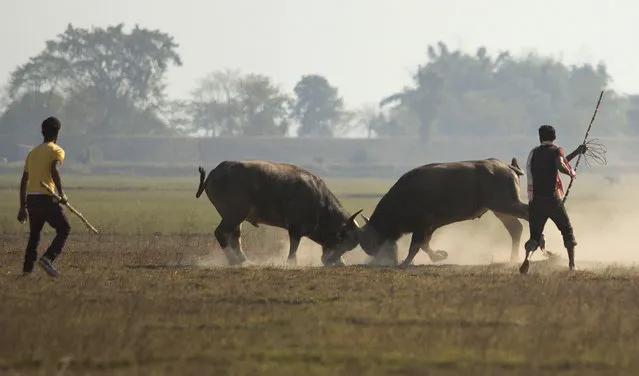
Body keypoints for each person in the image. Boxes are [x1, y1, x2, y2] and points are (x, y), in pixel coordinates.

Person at [521, 125, 586, 273]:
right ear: (554, 137)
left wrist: (576, 152)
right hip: (552, 200)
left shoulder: (535, 153)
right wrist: (571, 172)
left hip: (536, 201)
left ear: (540, 137)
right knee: (567, 230)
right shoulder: (557, 151)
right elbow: (560, 165)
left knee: (535, 236)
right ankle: (572, 265)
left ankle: (528, 258)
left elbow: (558, 164)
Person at [17, 117, 71, 278]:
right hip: (46, 198)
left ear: (42, 132)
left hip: (31, 199)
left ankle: (27, 271)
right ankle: (48, 258)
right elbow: (54, 170)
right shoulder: (57, 150)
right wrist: (61, 194)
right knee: (64, 228)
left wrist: (22, 206)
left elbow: (24, 180)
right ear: (58, 133)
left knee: (34, 235)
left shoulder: (32, 153)